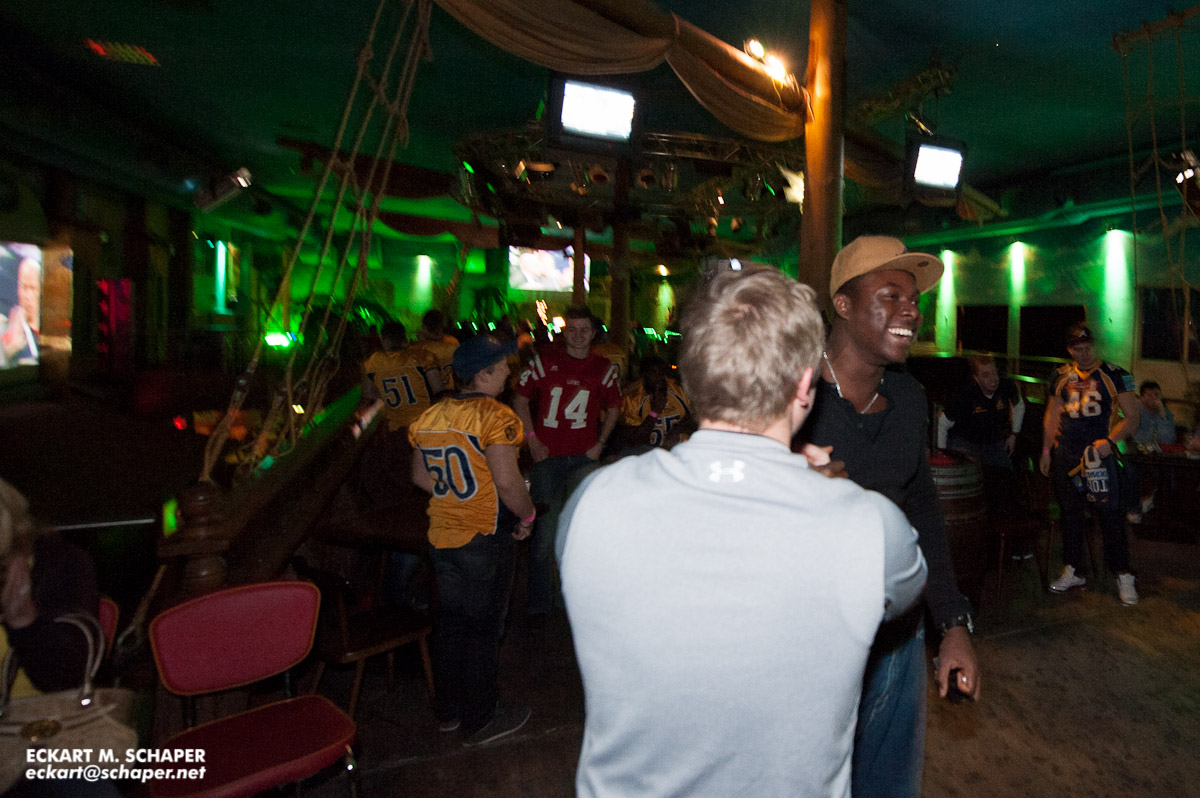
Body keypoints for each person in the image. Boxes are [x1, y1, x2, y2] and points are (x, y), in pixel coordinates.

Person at [557, 266, 927, 798]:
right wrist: (822, 492)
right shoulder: (871, 528)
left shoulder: (590, 504)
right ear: (806, 387)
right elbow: (903, 595)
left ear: (689, 379)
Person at [800, 234, 980, 798]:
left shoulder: (908, 400)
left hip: (897, 637)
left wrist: (952, 625)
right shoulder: (791, 396)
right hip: (809, 640)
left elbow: (921, 506)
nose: (911, 311)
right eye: (891, 296)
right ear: (843, 304)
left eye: (915, 300)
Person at [408, 335, 537, 747]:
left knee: (450, 626)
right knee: (482, 630)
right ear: (482, 374)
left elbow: (420, 477)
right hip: (484, 536)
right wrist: (528, 515)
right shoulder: (495, 417)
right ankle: (481, 719)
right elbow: (507, 482)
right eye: (502, 368)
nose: (508, 375)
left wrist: (457, 494)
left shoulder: (430, 416)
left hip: (443, 536)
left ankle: (448, 712)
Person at [513, 305, 621, 623]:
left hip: (583, 459)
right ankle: (539, 602)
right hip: (548, 457)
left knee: (578, 533)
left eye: (584, 330)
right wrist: (532, 439)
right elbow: (520, 399)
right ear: (564, 332)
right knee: (544, 533)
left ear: (593, 333)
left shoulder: (603, 367)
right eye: (572, 330)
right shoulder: (545, 361)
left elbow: (615, 407)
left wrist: (601, 443)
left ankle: (571, 599)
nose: (577, 336)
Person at [1041, 322, 1140, 605]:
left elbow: (1132, 417)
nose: (1084, 353)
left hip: (1098, 456)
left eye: (1088, 348)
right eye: (1078, 349)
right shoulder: (1061, 376)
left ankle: (1123, 573)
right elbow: (1052, 415)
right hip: (1067, 454)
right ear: (1070, 350)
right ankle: (1074, 568)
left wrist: (1110, 441)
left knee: (1110, 514)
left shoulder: (1115, 375)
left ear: (1094, 346)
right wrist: (1046, 451)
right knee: (1070, 514)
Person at [938, 354, 1026, 525]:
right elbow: (943, 423)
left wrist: (1014, 434)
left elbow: (1019, 405)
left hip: (993, 441)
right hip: (966, 443)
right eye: (986, 375)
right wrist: (943, 453)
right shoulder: (964, 395)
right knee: (975, 484)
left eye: (994, 373)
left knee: (1007, 480)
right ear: (976, 378)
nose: (993, 379)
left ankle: (1008, 528)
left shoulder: (1006, 386)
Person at [360, 322, 442, 499]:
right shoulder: (421, 357)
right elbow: (437, 388)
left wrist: (384, 393)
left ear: (384, 340)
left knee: (405, 475)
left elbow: (367, 392)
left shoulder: (374, 361)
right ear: (404, 339)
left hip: (398, 429)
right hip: (425, 425)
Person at [616, 354, 693, 451]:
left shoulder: (678, 389)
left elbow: (694, 416)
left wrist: (677, 430)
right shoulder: (633, 399)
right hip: (649, 453)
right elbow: (634, 441)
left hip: (681, 449)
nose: (659, 377)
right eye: (653, 372)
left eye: (661, 372)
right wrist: (654, 412)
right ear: (644, 375)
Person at [1126, 380, 1176, 522]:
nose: (1153, 398)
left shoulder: (1165, 413)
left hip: (1158, 457)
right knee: (1131, 471)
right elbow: (1136, 437)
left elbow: (1168, 439)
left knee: (1169, 473)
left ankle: (1163, 511)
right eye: (1149, 395)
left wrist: (1162, 415)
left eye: (1156, 394)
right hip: (1136, 455)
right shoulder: (1136, 411)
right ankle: (1134, 509)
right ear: (1142, 397)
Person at [1, 258, 41, 366]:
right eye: (24, 287)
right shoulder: (7, 328)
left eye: (33, 288)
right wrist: (6, 354)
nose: (27, 296)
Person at [416, 309, 459, 392]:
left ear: (424, 327)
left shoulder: (419, 349)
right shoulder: (453, 343)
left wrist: (421, 340)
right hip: (452, 391)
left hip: (432, 394)